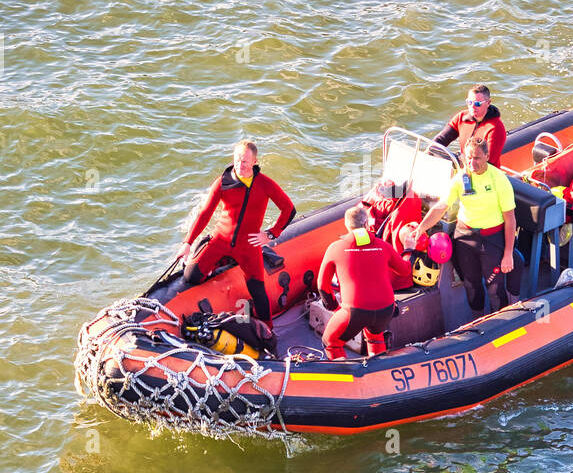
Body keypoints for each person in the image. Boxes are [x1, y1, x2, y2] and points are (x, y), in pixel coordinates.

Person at [173, 140, 295, 326]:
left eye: (245, 161)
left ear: (255, 161)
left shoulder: (265, 184)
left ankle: (267, 331)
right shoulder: (223, 182)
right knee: (191, 277)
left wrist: (270, 234)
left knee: (257, 290)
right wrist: (187, 243)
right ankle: (224, 260)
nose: (240, 164)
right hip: (221, 239)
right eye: (237, 159)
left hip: (248, 246)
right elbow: (205, 213)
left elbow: (288, 209)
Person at [413, 137, 516, 314]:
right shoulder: (461, 178)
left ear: (486, 156)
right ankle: (478, 322)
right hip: (464, 237)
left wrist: (508, 254)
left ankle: (502, 324)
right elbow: (440, 207)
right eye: (468, 157)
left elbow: (510, 219)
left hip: (491, 240)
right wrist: (421, 228)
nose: (471, 162)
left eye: (476, 158)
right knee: (471, 286)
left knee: (495, 289)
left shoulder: (499, 180)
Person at [317, 206, 412, 360]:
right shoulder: (384, 246)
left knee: (331, 342)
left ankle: (348, 379)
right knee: (375, 336)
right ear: (367, 223)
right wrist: (408, 249)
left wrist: (335, 308)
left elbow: (322, 286)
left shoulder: (335, 248)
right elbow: (405, 270)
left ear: (346, 225)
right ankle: (379, 371)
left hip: (354, 312)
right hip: (386, 309)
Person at [434, 83, 507, 168]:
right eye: (469, 102)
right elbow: (441, 139)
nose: (472, 107)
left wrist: (458, 161)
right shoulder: (461, 117)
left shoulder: (496, 128)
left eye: (477, 104)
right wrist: (430, 151)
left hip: (485, 174)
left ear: (488, 103)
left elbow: (487, 162)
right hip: (463, 167)